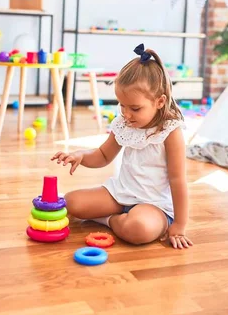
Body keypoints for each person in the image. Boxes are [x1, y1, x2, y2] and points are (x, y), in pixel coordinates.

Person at [52, 44, 193, 249]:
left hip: (154, 205)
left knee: (138, 230)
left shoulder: (171, 133)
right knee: (71, 203)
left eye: (135, 108)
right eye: (122, 106)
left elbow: (178, 179)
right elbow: (103, 155)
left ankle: (110, 220)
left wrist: (180, 224)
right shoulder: (125, 123)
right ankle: (118, 216)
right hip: (120, 194)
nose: (126, 114)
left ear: (160, 101)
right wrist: (81, 156)